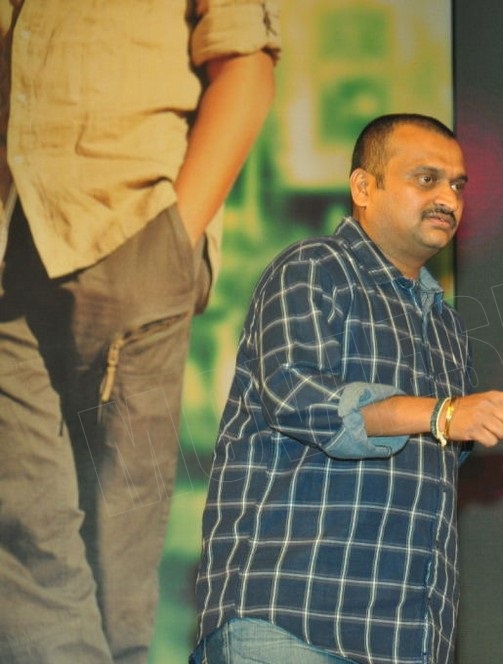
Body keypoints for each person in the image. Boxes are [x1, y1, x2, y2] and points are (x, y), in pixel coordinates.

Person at [191, 113, 503, 663]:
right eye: (426, 179)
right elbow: (297, 397)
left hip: (406, 636)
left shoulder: (447, 326)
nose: (448, 199)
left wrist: (451, 421)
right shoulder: (313, 268)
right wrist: (441, 414)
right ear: (364, 187)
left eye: (458, 186)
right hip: (290, 619)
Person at [0, 2, 278, 662]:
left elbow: (245, 62)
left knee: (115, 561)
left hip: (127, 231)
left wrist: (173, 242)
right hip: (10, 242)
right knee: (22, 538)